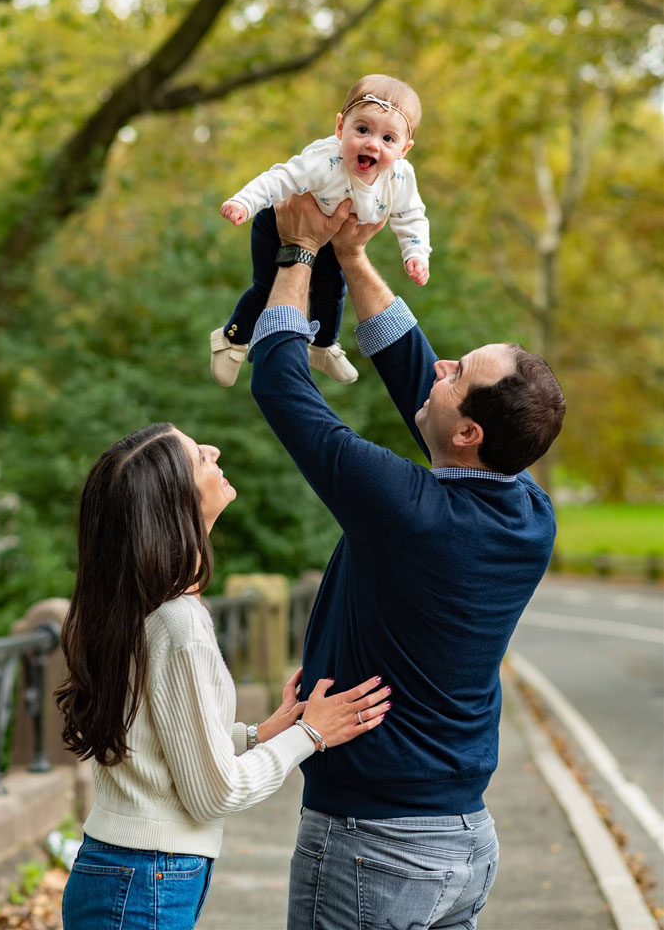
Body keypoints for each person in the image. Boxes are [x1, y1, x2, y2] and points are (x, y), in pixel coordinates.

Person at [246, 194, 566, 930]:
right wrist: (355, 258)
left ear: (471, 433)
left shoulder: (406, 511)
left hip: (374, 848)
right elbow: (417, 378)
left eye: (459, 374)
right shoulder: (529, 515)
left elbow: (281, 386)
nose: (441, 366)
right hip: (461, 843)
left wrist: (298, 256)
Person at [55, 422, 392, 930]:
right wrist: (309, 735)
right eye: (197, 457)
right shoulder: (178, 622)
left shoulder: (143, 606)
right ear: (176, 504)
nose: (213, 448)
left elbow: (158, 737)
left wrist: (259, 734)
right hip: (144, 879)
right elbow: (217, 793)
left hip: (130, 872)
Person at [211, 73, 430, 388]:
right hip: (278, 224)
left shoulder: (400, 179)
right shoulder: (325, 161)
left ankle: (323, 346)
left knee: (331, 291)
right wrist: (245, 202)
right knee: (266, 288)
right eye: (363, 129)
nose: (371, 143)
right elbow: (279, 179)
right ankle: (231, 339)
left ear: (404, 149)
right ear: (341, 127)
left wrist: (416, 253)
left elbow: (412, 217)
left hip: (330, 237)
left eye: (388, 139)